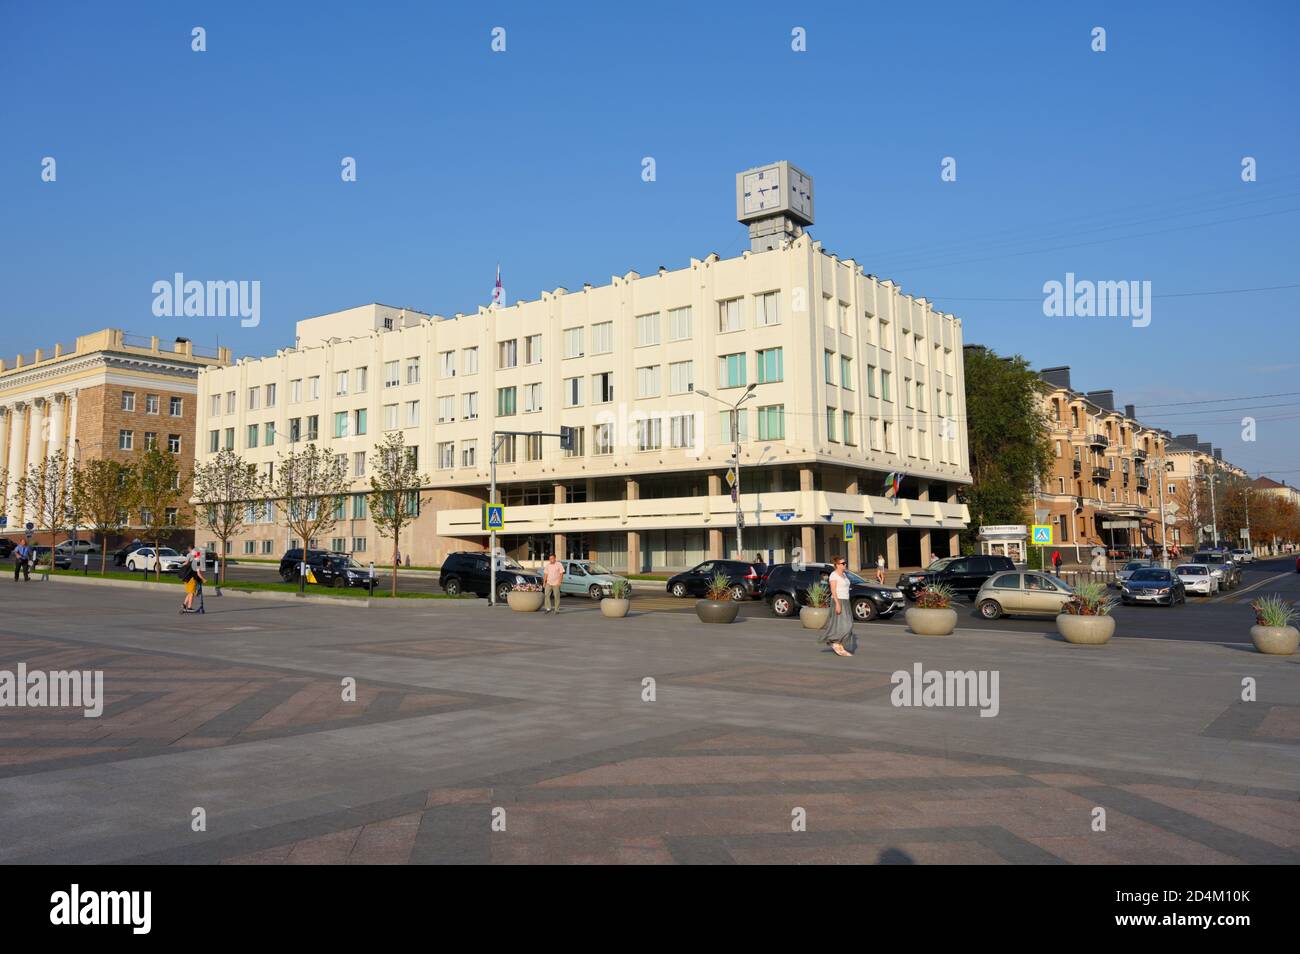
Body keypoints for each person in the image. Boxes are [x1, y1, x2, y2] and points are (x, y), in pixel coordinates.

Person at [819, 556, 855, 657]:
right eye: (843, 563)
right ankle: (835, 642)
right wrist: (837, 604)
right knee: (843, 624)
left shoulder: (844, 575)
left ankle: (838, 643)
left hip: (846, 601)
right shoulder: (833, 575)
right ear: (837, 565)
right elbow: (833, 591)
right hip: (838, 600)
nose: (845, 565)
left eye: (845, 563)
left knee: (848, 624)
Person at [181, 548, 206, 613]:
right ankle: (189, 607)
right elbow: (198, 573)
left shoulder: (191, 562)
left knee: (189, 592)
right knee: (192, 593)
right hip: (191, 580)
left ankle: (184, 604)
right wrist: (203, 579)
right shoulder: (197, 563)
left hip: (186, 579)